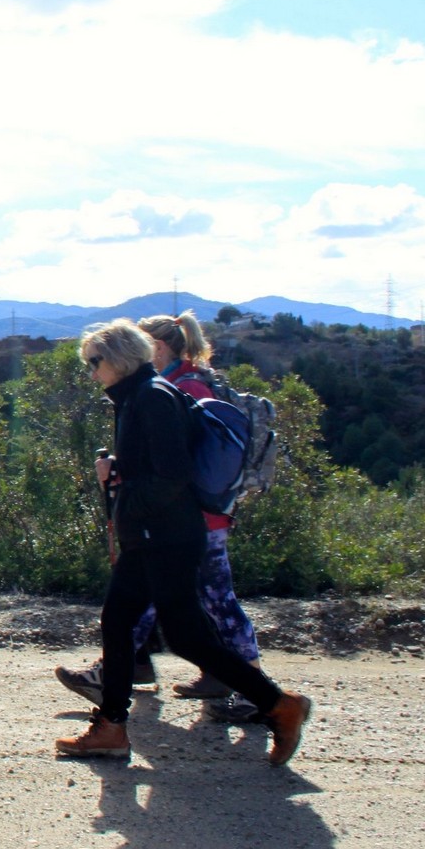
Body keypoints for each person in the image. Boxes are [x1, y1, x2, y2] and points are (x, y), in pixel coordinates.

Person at [55, 319, 311, 765]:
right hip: (155, 535)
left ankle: (278, 704)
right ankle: (111, 726)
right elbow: (154, 466)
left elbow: (172, 475)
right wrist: (121, 475)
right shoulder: (137, 395)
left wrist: (128, 497)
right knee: (124, 623)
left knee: (185, 637)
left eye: (94, 362)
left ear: (118, 358)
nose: (91, 372)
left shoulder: (152, 397)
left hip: (165, 537)